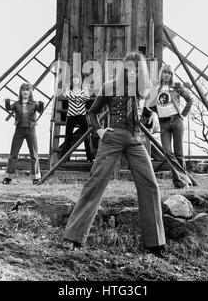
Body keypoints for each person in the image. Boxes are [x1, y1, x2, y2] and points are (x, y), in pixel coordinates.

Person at [63, 52, 166, 257]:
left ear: (141, 71)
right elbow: (91, 112)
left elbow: (143, 110)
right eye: (129, 68)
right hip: (113, 137)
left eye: (136, 69)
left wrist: (152, 114)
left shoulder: (142, 90)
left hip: (136, 140)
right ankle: (73, 237)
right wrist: (100, 130)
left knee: (150, 184)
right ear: (123, 68)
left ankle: (156, 242)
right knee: (96, 181)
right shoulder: (110, 86)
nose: (132, 72)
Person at [149, 64, 194, 189]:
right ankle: (185, 180)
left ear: (172, 75)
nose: (167, 75)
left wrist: (183, 115)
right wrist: (155, 113)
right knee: (168, 152)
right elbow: (150, 104)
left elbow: (190, 100)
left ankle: (179, 183)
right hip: (164, 123)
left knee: (179, 153)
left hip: (176, 121)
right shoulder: (156, 88)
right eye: (165, 72)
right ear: (161, 73)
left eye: (169, 73)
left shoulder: (177, 86)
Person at [2, 83, 44, 185]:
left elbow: (40, 110)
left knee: (34, 154)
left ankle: (36, 178)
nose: (25, 92)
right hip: (19, 130)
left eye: (27, 90)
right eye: (23, 90)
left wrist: (41, 104)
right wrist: (7, 102)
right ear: (21, 92)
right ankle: (8, 177)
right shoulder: (16, 104)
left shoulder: (34, 104)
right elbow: (9, 108)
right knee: (13, 154)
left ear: (30, 92)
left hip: (31, 130)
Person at [60, 73, 93, 163]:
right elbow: (66, 95)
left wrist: (75, 98)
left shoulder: (84, 88)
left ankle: (90, 157)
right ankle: (66, 158)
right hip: (71, 114)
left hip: (82, 114)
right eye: (74, 78)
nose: (75, 80)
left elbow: (87, 97)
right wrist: (79, 98)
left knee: (86, 135)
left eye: (77, 78)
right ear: (72, 80)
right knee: (68, 136)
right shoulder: (68, 88)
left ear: (80, 80)